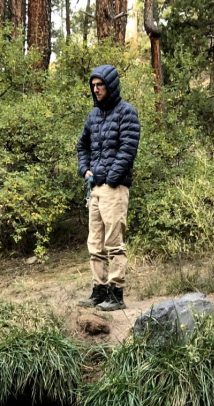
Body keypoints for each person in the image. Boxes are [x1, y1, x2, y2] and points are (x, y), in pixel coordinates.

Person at [76, 65, 140, 312]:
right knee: (95, 243)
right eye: (93, 85)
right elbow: (82, 146)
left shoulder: (127, 113)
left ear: (110, 86)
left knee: (114, 243)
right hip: (95, 189)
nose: (96, 89)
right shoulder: (93, 116)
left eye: (100, 85)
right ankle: (98, 290)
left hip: (114, 189)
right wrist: (85, 170)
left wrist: (111, 178)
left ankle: (116, 294)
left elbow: (127, 150)